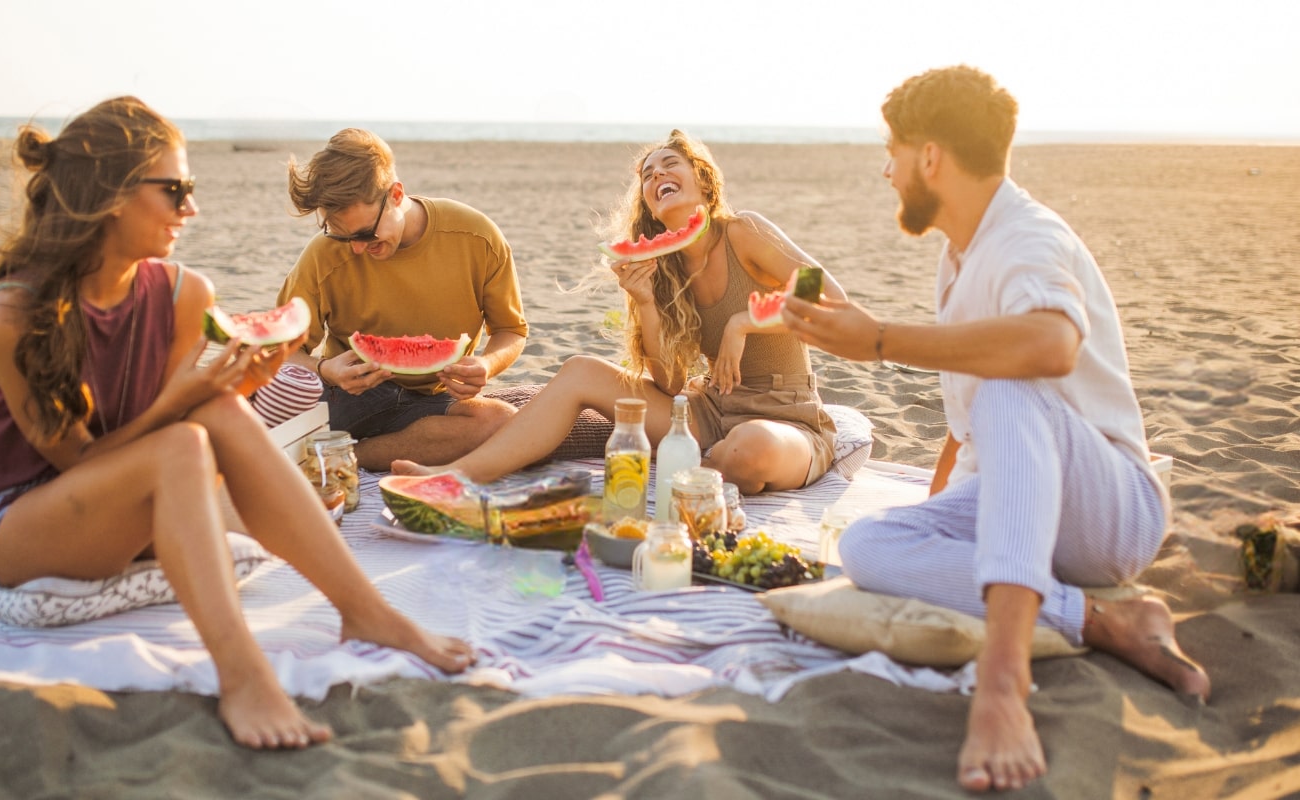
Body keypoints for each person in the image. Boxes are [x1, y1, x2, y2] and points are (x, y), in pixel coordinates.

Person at [0, 97, 475, 751]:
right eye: (175, 190)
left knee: (212, 415)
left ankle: (366, 612)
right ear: (110, 195)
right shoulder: (15, 315)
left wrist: (237, 388)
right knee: (186, 438)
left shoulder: (184, 294)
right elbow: (78, 460)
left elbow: (172, 428)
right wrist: (176, 408)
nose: (191, 209)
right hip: (17, 526)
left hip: (122, 505)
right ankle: (242, 673)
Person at [780, 66, 1210, 792]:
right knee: (871, 542)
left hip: (1112, 511)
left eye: (894, 149)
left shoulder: (1028, 237)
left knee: (1012, 391)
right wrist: (935, 510)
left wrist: (878, 339)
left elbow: (1048, 347)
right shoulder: (962, 254)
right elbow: (970, 425)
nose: (886, 170)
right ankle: (1109, 623)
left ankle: (1002, 688)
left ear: (930, 157)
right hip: (1028, 502)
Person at [394, 129, 844, 494]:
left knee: (751, 449)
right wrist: (646, 301)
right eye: (647, 175)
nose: (656, 175)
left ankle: (700, 469)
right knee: (580, 370)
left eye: (670, 164)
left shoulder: (743, 231)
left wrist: (743, 322)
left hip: (786, 415)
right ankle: (458, 476)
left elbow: (826, 290)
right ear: (648, 202)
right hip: (708, 414)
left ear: (703, 180)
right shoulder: (662, 268)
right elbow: (668, 383)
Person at [275, 129, 528, 470]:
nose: (357, 248)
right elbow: (281, 349)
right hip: (346, 394)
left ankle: (348, 458)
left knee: (499, 421)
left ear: (396, 194)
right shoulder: (324, 255)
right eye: (342, 235)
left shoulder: (476, 237)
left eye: (366, 233)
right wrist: (326, 369)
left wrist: (486, 364)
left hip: (431, 401)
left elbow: (511, 331)